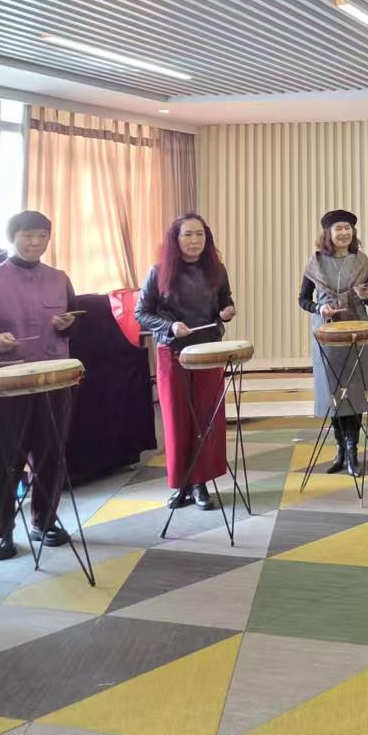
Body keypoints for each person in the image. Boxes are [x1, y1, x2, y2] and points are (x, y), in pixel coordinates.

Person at [0, 211, 80, 561]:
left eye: (42, 236)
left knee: (51, 454)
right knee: (2, 458)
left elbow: (75, 325)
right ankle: (2, 531)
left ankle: (45, 521)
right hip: (0, 382)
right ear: (12, 237)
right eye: (27, 235)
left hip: (51, 380)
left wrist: (67, 325)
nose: (35, 242)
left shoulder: (59, 279)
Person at [135, 214, 237, 512]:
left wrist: (228, 310)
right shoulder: (158, 272)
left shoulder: (216, 270)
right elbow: (141, 313)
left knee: (206, 419)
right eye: (188, 235)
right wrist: (170, 326)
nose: (194, 241)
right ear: (175, 239)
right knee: (177, 419)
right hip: (173, 353)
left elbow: (225, 301)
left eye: (200, 235)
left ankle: (200, 482)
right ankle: (181, 483)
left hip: (207, 352)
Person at [301, 210, 368, 477]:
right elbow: (303, 299)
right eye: (338, 229)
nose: (344, 233)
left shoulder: (362, 262)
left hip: (356, 330)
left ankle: (352, 449)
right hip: (327, 332)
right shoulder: (315, 263)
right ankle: (340, 449)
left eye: (348, 228)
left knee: (355, 389)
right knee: (332, 390)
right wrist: (319, 308)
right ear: (328, 233)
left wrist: (365, 295)